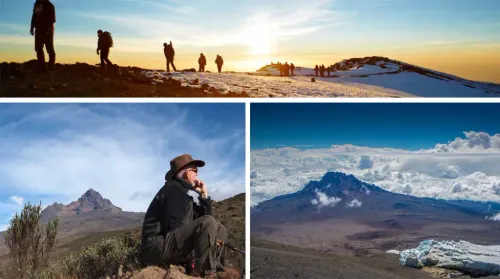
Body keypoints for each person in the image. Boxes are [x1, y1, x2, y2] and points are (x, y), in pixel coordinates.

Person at [140, 154, 228, 278]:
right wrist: (199, 243)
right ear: (187, 173)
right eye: (195, 171)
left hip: (167, 243)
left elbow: (207, 221)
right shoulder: (173, 190)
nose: (197, 174)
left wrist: (203, 196)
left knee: (219, 229)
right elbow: (175, 228)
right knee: (208, 223)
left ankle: (215, 268)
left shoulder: (183, 194)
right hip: (156, 248)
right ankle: (204, 273)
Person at [30, 0, 56, 72]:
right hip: (38, 29)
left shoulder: (50, 5)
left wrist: (48, 30)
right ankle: (42, 67)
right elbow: (34, 15)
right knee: (38, 48)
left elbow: (52, 19)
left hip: (48, 30)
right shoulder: (37, 4)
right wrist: (32, 27)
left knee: (49, 49)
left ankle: (51, 66)